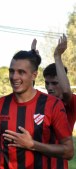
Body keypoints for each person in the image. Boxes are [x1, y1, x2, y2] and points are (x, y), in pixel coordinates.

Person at [0, 48, 74, 169]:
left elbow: (69, 151)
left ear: (34, 75)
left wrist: (32, 144)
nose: (14, 76)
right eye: (11, 71)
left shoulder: (53, 105)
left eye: (21, 72)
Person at [42, 34, 76, 169]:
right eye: (47, 83)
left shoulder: (70, 103)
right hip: (38, 160)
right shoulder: (42, 101)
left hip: (58, 163)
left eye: (54, 83)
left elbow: (67, 92)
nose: (49, 88)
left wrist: (57, 57)